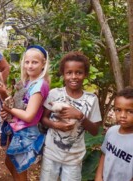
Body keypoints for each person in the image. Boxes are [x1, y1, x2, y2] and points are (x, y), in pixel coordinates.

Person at [40, 51, 102, 181]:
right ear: (63, 74)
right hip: (51, 154)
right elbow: (43, 118)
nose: (74, 76)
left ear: (85, 74)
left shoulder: (91, 99)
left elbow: (95, 131)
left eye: (78, 72)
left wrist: (80, 116)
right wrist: (55, 125)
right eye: (69, 73)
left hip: (74, 157)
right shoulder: (54, 94)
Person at [0, 45, 50, 180]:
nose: (30, 66)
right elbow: (20, 107)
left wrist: (8, 109)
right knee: (10, 163)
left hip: (27, 132)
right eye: (27, 62)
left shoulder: (39, 86)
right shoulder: (29, 82)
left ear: (43, 63)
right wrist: (9, 114)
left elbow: (28, 116)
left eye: (35, 62)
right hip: (18, 130)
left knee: (19, 169)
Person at [95, 87, 133, 181]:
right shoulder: (111, 131)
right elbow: (104, 154)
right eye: (118, 110)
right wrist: (98, 177)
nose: (123, 115)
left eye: (130, 111)